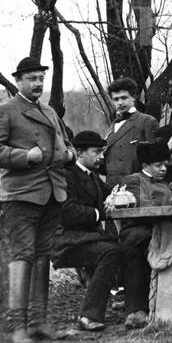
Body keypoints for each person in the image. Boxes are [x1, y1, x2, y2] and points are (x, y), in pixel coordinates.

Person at [0, 56, 76, 343]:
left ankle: (38, 323)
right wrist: (25, 157)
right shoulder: (4, 111)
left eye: (41, 78)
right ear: (18, 81)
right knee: (22, 255)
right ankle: (18, 327)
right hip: (21, 195)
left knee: (43, 255)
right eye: (32, 78)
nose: (38, 83)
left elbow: (66, 143)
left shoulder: (49, 111)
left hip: (52, 192)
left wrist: (70, 155)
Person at [51, 130, 122, 332]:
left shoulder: (92, 177)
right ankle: (88, 316)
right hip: (66, 241)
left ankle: (132, 307)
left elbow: (112, 193)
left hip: (85, 239)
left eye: (102, 152)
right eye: (96, 152)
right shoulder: (66, 175)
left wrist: (126, 195)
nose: (101, 157)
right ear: (80, 152)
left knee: (123, 245)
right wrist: (99, 214)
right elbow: (67, 212)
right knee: (110, 252)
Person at [114, 140, 172, 330]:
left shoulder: (164, 184)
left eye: (165, 165)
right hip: (136, 229)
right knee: (137, 247)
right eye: (158, 165)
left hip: (158, 229)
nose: (163, 169)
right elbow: (142, 206)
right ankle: (136, 309)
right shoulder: (133, 180)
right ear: (145, 165)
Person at [103, 77, 159, 188]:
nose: (120, 103)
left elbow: (154, 161)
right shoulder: (112, 127)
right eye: (116, 99)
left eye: (124, 98)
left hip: (138, 187)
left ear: (133, 97)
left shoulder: (147, 121)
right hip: (112, 188)